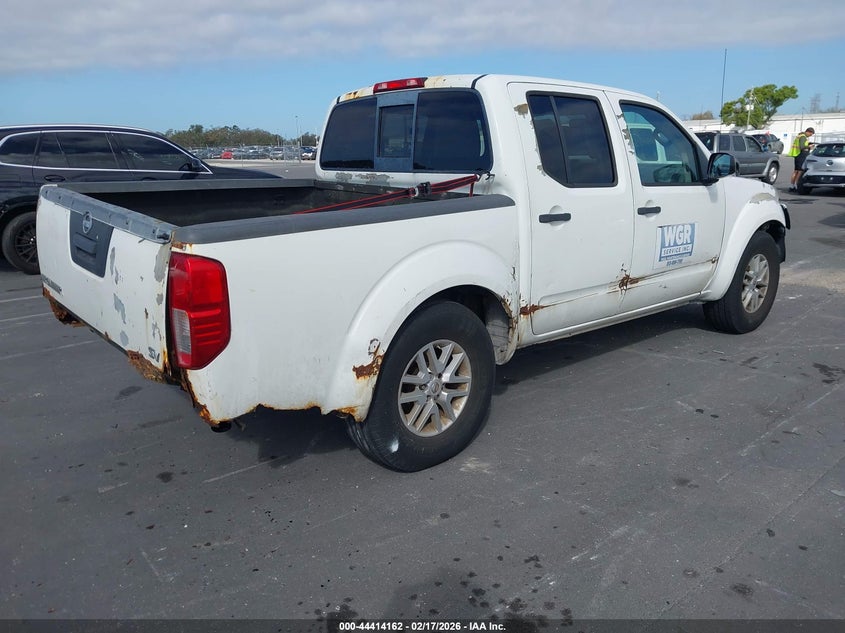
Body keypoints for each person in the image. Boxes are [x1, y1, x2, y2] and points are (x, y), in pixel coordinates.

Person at [788, 127, 815, 191]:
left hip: (797, 155)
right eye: (810, 134)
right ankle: (796, 185)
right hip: (800, 155)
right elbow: (802, 146)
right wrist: (809, 146)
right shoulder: (803, 137)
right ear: (808, 132)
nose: (810, 136)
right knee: (799, 171)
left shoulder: (800, 136)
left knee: (796, 171)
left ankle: (792, 185)